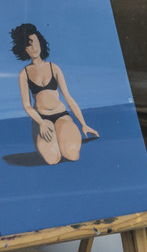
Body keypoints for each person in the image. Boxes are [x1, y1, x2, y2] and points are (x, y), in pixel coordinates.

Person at [12, 23, 97, 164]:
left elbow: (68, 97)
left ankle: (64, 135)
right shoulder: (24, 74)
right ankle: (53, 138)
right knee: (53, 159)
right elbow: (26, 106)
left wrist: (84, 124)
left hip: (62, 116)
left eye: (35, 43)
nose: (33, 48)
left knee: (72, 155)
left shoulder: (54, 68)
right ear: (24, 49)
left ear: (40, 42)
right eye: (28, 45)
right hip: (42, 119)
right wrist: (41, 123)